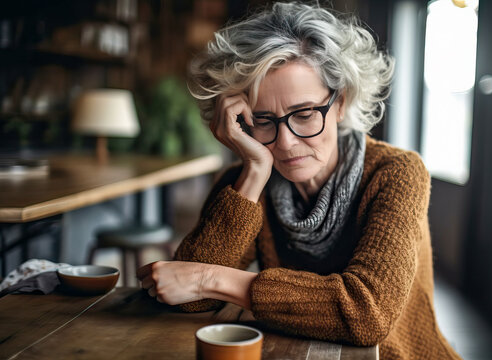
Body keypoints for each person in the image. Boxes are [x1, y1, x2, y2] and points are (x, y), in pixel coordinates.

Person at [136, 2, 461, 359]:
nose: (285, 142)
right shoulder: (246, 182)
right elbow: (191, 303)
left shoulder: (397, 173)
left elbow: (369, 313)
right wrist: (255, 172)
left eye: (304, 114)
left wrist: (207, 279)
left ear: (341, 102)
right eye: (263, 120)